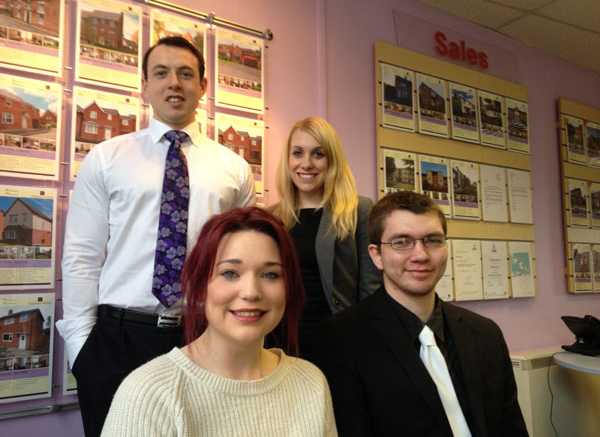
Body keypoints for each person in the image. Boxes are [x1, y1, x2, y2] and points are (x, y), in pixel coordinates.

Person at [56, 36, 255, 437]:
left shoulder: (233, 169)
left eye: (185, 73)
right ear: (144, 85)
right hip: (117, 341)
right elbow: (81, 255)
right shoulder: (107, 158)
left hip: (204, 335)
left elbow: (245, 262)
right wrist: (82, 349)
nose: (174, 83)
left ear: (203, 86)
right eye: (161, 73)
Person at [101, 207, 337, 437]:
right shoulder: (148, 394)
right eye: (230, 273)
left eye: (270, 274)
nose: (251, 292)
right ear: (201, 285)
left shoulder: (311, 382)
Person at [312, 191, 528, 437]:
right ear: (376, 255)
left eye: (432, 240)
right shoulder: (341, 339)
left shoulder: (485, 333)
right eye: (401, 242)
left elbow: (512, 428)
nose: (420, 255)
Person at [271, 116, 380, 358]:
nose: (306, 164)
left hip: (339, 341)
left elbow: (371, 289)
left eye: (318, 154)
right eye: (298, 153)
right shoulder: (273, 217)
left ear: (332, 160)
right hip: (282, 342)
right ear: (288, 159)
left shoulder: (358, 210)